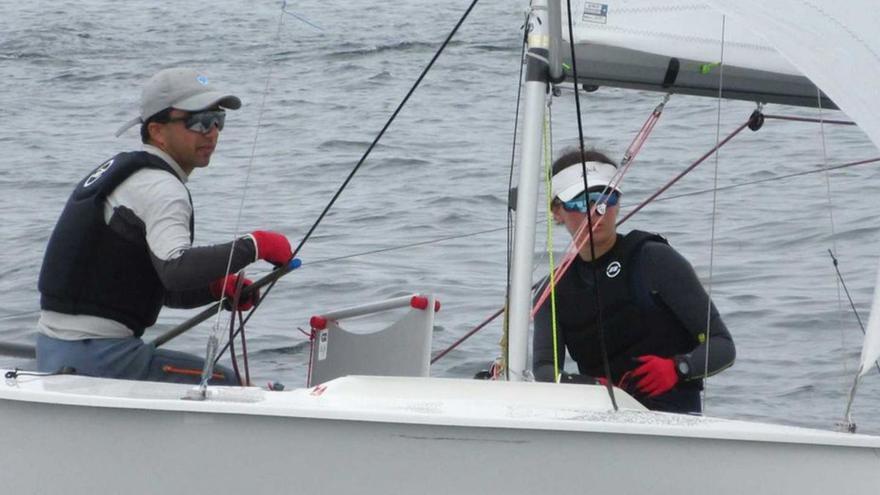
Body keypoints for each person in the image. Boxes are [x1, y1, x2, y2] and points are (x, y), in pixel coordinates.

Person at [35, 67, 293, 385]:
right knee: (231, 387)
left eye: (217, 120)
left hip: (55, 350)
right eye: (197, 121)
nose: (211, 132)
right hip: (98, 357)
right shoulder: (161, 187)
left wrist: (215, 288)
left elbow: (161, 285)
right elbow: (177, 270)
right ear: (157, 131)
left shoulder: (129, 175)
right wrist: (256, 245)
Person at [532, 148, 735, 413]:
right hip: (603, 420)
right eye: (581, 202)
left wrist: (679, 368)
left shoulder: (654, 259)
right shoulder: (553, 288)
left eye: (607, 198)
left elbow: (723, 346)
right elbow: (545, 370)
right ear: (557, 211)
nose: (597, 211)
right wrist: (592, 386)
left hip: (675, 420)